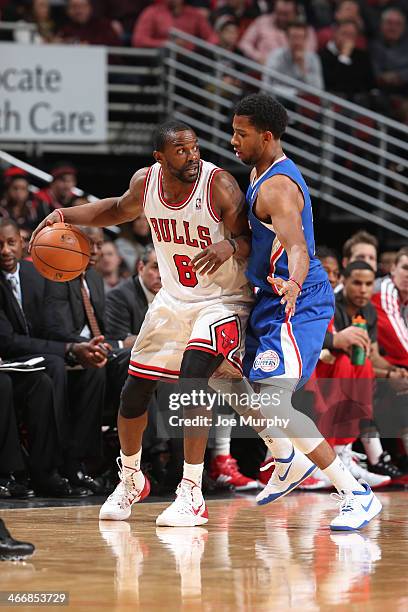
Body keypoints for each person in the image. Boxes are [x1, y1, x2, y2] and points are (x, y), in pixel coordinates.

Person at [30, 119, 254, 527]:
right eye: (182, 150)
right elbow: (115, 209)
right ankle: (131, 479)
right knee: (133, 392)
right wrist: (63, 214)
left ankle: (191, 491)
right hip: (173, 300)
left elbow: (257, 236)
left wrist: (230, 244)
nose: (193, 156)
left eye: (195, 147)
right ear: (160, 157)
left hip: (222, 299)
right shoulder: (146, 182)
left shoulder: (218, 185)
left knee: (193, 376)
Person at [224, 93, 381, 530]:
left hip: (299, 299)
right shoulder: (258, 171)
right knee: (224, 375)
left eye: (241, 133)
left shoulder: (277, 186)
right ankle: (286, 458)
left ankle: (355, 492)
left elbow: (295, 246)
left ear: (267, 136)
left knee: (274, 402)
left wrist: (292, 282)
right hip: (270, 297)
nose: (233, 139)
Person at [263, 20, 324, 94]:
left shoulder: (313, 59)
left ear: (305, 39)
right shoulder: (276, 56)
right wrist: (294, 93)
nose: (297, 42)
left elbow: (318, 89)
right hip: (279, 99)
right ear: (287, 38)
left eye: (300, 37)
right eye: (294, 37)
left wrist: (302, 68)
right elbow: (267, 85)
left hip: (303, 102)